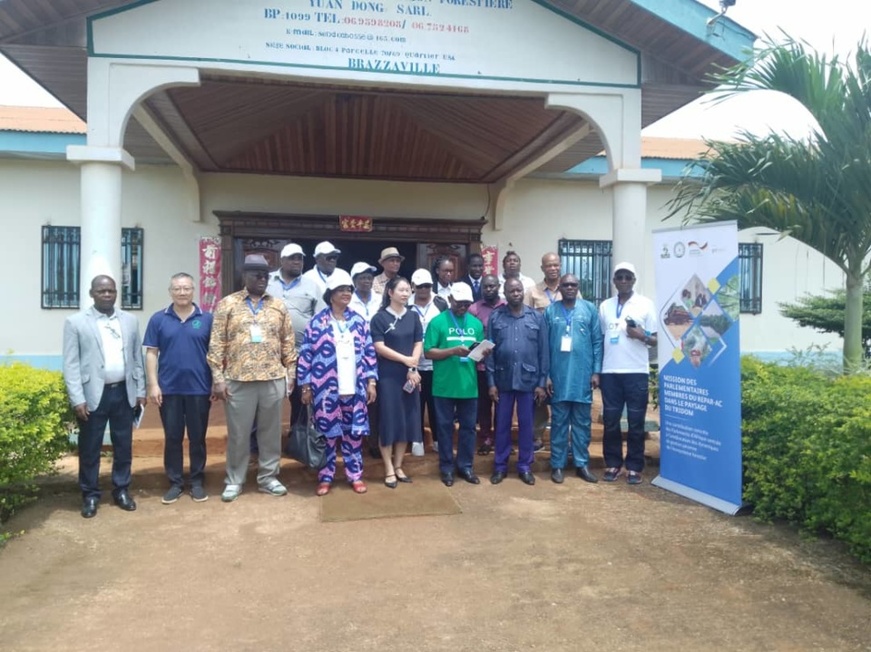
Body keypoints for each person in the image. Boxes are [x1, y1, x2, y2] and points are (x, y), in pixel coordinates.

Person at [207, 254, 297, 502]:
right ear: (244, 276)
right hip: (238, 380)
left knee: (270, 433)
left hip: (272, 378)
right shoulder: (227, 304)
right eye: (256, 275)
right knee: (239, 433)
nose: (262, 279)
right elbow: (217, 343)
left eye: (265, 275)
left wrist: (290, 374)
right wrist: (218, 378)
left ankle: (268, 478)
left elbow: (288, 342)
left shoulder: (278, 306)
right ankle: (235, 480)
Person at [62, 275, 146, 518]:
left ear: (116, 292)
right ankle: (90, 494)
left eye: (111, 290)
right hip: (92, 396)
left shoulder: (130, 321)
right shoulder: (75, 322)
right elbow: (71, 363)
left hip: (124, 393)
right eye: (102, 291)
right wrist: (77, 398)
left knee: (123, 445)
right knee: (90, 448)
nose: (107, 294)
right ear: (92, 293)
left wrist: (140, 390)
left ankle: (121, 490)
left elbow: (137, 358)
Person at [298, 269, 377, 496]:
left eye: (349, 290)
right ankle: (326, 477)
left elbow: (369, 352)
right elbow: (306, 354)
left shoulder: (359, 321)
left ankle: (355, 475)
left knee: (353, 436)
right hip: (325, 390)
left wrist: (371, 381)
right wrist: (306, 385)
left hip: (355, 388)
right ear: (330, 294)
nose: (346, 293)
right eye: (341, 290)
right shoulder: (316, 322)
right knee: (328, 435)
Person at [143, 272, 214, 504]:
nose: (182, 292)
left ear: (193, 290)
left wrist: (216, 381)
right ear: (170, 292)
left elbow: (215, 354)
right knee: (173, 437)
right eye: (177, 288)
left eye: (186, 288)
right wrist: (153, 384)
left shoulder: (207, 319)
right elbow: (151, 353)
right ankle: (175, 483)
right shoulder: (158, 319)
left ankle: (197, 482)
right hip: (169, 389)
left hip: (199, 389)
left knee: (197, 438)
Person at [598, 262, 658, 485]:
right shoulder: (605, 306)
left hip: (636, 372)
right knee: (611, 421)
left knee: (636, 422)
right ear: (614, 281)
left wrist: (640, 336)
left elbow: (655, 339)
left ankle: (634, 467)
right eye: (619, 277)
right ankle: (613, 464)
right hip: (610, 372)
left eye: (628, 277)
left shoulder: (646, 304)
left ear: (634, 280)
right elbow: (602, 338)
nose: (623, 281)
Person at [486, 278, 549, 486]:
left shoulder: (536, 317)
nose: (516, 293)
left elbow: (544, 352)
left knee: (527, 426)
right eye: (511, 291)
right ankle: (500, 466)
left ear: (523, 292)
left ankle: (525, 466)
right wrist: (491, 382)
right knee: (501, 425)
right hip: (503, 379)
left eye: (519, 290)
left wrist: (541, 383)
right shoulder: (496, 317)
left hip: (528, 380)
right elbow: (489, 352)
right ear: (505, 293)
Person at [424, 282, 486, 487]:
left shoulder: (476, 324)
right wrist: (452, 351)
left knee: (469, 428)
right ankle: (446, 468)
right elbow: (428, 352)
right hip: (444, 386)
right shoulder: (437, 322)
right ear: (450, 299)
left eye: (467, 304)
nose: (463, 307)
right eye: (459, 303)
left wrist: (483, 353)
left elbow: (477, 354)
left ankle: (466, 466)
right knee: (444, 428)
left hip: (468, 386)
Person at [544, 274, 602, 484]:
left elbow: (597, 341)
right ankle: (558, 465)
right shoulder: (550, 311)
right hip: (558, 377)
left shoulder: (589, 309)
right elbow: (544, 346)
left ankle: (581, 464)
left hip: (582, 377)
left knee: (582, 423)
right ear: (559, 287)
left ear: (578, 287)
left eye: (573, 285)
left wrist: (596, 372)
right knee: (559, 423)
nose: (570, 287)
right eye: (566, 284)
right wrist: (546, 376)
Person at [370, 276, 423, 487]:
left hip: (410, 375)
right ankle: (388, 468)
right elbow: (379, 347)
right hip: (388, 376)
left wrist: (413, 366)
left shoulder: (413, 316)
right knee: (389, 420)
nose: (405, 293)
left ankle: (399, 465)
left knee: (405, 421)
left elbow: (418, 343)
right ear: (390, 293)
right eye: (400, 290)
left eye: (407, 290)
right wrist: (405, 360)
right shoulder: (379, 318)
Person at [266, 243, 325, 431]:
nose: (297, 262)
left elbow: (321, 319)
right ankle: (262, 441)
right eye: (292, 258)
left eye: (300, 258)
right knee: (267, 398)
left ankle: (297, 439)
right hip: (269, 353)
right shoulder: (266, 281)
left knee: (301, 398)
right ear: (282, 260)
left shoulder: (311, 286)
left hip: (301, 352)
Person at [524, 251, 563, 452]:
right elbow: (523, 318)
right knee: (538, 396)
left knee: (560, 395)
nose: (553, 268)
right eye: (549, 265)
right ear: (542, 268)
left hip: (563, 353)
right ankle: (537, 436)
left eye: (556, 265)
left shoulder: (569, 288)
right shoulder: (533, 292)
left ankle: (559, 437)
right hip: (538, 351)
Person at [409, 268, 448, 455]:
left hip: (436, 364)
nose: (424, 289)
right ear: (413, 286)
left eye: (427, 286)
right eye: (420, 286)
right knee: (415, 404)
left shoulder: (440, 303)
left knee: (435, 404)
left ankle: (438, 439)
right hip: (413, 365)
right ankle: (416, 440)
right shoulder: (406, 304)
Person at [468, 274, 504, 455]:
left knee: (502, 405)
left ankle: (500, 439)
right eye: (485, 287)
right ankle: (485, 438)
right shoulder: (473, 309)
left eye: (492, 286)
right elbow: (469, 334)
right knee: (484, 405)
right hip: (481, 366)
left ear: (498, 286)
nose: (489, 289)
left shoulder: (506, 306)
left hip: (502, 366)